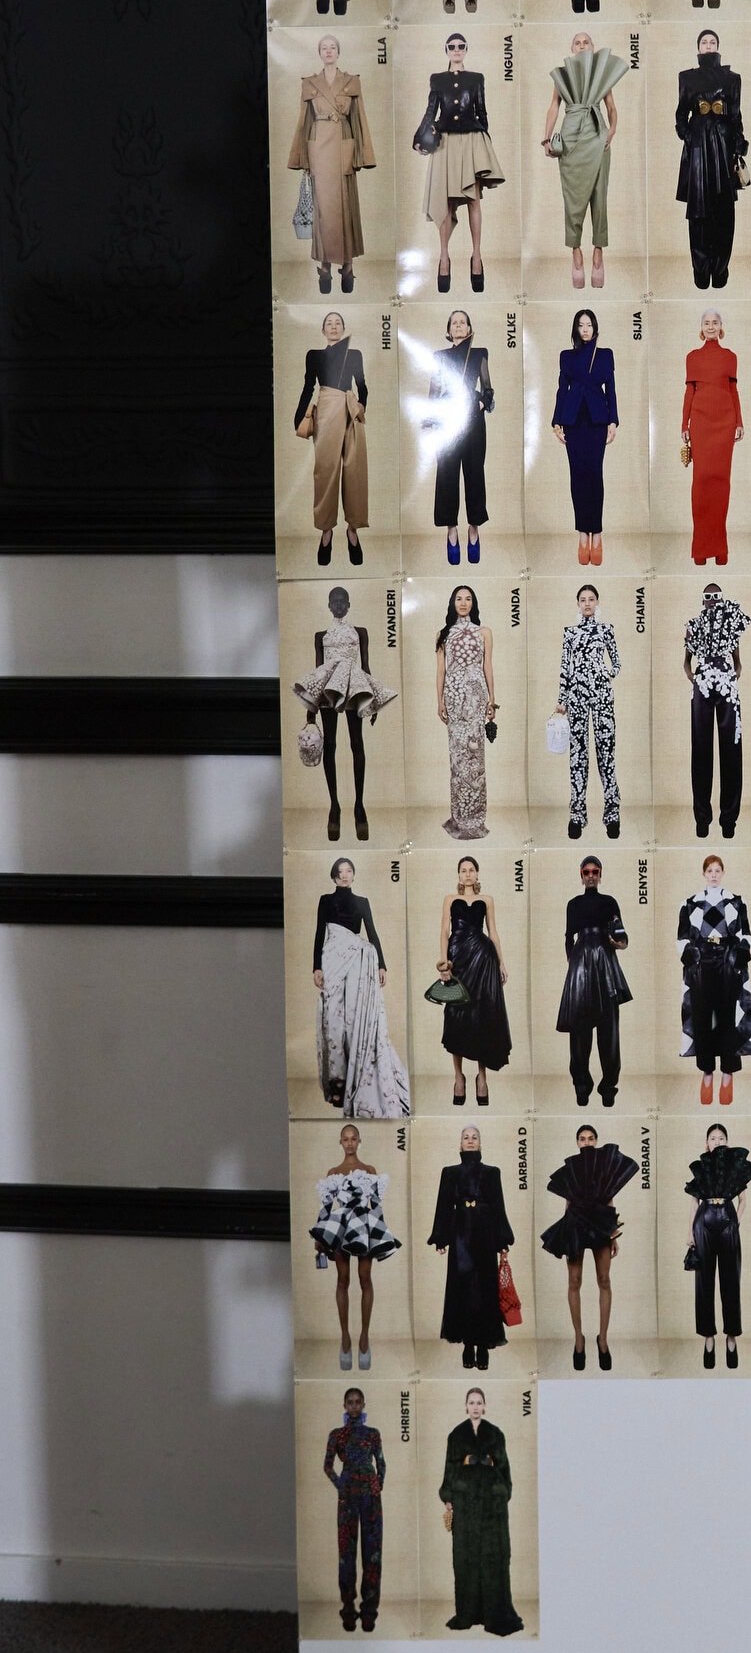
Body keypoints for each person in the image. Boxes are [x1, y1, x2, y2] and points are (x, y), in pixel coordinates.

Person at [294, 589, 396, 845]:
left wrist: (372, 703)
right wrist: (311, 710)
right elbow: (319, 670)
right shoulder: (321, 636)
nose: (339, 605)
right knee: (329, 744)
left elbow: (366, 666)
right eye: (334, 602)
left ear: (348, 605)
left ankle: (359, 807)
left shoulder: (360, 632)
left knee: (356, 743)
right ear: (329, 606)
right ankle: (334, 807)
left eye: (342, 602)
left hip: (354, 685)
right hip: (328, 687)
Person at [310, 855, 409, 1118]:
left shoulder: (362, 902)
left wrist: (382, 965)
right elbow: (319, 932)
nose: (345, 875)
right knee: (333, 1020)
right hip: (332, 959)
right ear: (334, 876)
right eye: (340, 871)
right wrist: (316, 967)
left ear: (353, 874)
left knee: (354, 1020)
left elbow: (372, 933)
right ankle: (337, 1082)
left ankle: (353, 1081)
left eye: (349, 870)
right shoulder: (325, 900)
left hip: (358, 961)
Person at [541, 1123, 639, 1373]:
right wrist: (564, 1232)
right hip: (575, 1222)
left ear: (596, 1141)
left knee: (604, 1280)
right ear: (577, 1143)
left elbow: (610, 1199)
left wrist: (613, 1234)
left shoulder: (604, 1165)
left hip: (600, 1222)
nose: (587, 1142)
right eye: (582, 1138)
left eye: (591, 1138)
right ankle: (579, 1339)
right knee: (574, 1281)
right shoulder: (572, 1167)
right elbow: (567, 1201)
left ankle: (603, 1340)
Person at [413, 35, 503, 297]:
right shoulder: (437, 79)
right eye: (452, 47)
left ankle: (477, 257)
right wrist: (418, 138)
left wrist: (484, 143)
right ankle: (444, 257)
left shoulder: (476, 78)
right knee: (445, 201)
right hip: (445, 142)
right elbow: (430, 112)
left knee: (474, 200)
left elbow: (482, 112)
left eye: (461, 46)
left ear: (466, 50)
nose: (456, 50)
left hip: (471, 140)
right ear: (446, 50)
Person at [286, 36, 375, 292]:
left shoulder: (351, 81)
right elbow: (303, 122)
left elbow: (359, 118)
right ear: (319, 53)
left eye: (332, 47)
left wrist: (362, 155)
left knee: (345, 205)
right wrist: (302, 157)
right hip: (318, 148)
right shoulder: (309, 83)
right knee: (323, 209)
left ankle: (347, 268)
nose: (328, 51)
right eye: (324, 48)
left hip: (342, 143)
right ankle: (325, 268)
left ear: (338, 52)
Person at [310, 1123, 401, 1373]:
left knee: (365, 1277)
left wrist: (381, 1233)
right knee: (343, 1278)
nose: (349, 1143)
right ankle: (345, 1338)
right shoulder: (333, 1173)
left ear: (359, 1141)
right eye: (345, 1139)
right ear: (340, 1142)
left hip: (363, 1226)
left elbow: (376, 1205)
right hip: (341, 1226)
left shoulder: (369, 1170)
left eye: (353, 1138)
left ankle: (364, 1337)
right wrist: (320, 1235)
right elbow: (326, 1206)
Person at [541, 31, 627, 292]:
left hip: (598, 135)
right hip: (571, 138)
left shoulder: (600, 74)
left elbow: (611, 106)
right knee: (573, 198)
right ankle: (576, 251)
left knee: (600, 197)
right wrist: (546, 138)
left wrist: (613, 129)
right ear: (572, 48)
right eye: (577, 43)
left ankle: (598, 252)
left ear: (592, 46)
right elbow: (553, 106)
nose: (581, 45)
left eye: (586, 42)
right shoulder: (563, 74)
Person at [428, 1125, 513, 1372]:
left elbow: (498, 1207)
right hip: (460, 1235)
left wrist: (502, 1242)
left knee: (485, 1289)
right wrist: (441, 1238)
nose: (470, 1140)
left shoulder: (492, 1173)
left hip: (485, 1234)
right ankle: (468, 1343)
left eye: (475, 1137)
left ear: (480, 1143)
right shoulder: (450, 1173)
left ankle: (483, 1344)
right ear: (460, 1143)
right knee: (463, 1289)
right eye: (466, 1137)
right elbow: (443, 1205)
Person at [438, 1387, 522, 1634]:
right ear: (466, 1406)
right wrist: (448, 1496)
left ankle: (494, 1614)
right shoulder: (456, 1435)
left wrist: (502, 1491)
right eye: (471, 1402)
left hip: (491, 1501)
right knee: (467, 1554)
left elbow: (504, 1467)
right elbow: (450, 1466)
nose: (475, 1407)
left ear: (484, 1407)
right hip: (465, 1500)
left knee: (492, 1554)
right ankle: (468, 1613)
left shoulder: (496, 1433)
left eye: (479, 1403)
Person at [677, 854, 751, 1105]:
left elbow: (746, 933)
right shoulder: (690, 903)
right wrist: (690, 954)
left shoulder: (736, 901)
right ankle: (707, 1073)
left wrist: (740, 953)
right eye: (709, 871)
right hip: (701, 963)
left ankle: (727, 1075)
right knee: (702, 1019)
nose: (713, 875)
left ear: (723, 873)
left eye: (717, 870)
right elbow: (682, 937)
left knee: (728, 1019)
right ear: (704, 874)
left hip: (727, 961)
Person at [434, 855, 511, 1106]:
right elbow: (444, 931)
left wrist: (501, 962)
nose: (467, 874)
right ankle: (458, 1077)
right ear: (458, 875)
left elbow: (493, 932)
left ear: (477, 874)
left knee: (482, 1015)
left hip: (483, 959)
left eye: (471, 870)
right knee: (455, 1015)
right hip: (458, 959)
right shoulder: (449, 899)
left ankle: (482, 1077)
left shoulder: (487, 900)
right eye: (463, 870)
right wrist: (444, 962)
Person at [675, 30, 749, 289]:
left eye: (712, 42)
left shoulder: (733, 79)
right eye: (704, 42)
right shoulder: (686, 77)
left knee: (724, 212)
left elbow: (736, 115)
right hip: (697, 150)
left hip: (723, 146)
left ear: (718, 46)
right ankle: (700, 269)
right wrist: (688, 136)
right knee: (698, 213)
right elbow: (680, 114)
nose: (708, 46)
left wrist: (738, 146)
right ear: (698, 48)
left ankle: (720, 269)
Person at [295, 310, 368, 566]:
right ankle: (326, 532)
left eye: (338, 323)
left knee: (354, 471)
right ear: (323, 330)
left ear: (343, 328)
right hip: (326, 410)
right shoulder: (314, 355)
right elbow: (308, 386)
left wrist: (361, 408)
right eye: (329, 323)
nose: (334, 326)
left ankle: (352, 531)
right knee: (326, 471)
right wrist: (298, 417)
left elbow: (362, 385)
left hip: (349, 410)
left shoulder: (355, 354)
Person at [558, 858, 632, 1108]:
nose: (590, 875)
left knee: (609, 1031)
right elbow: (568, 937)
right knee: (579, 1032)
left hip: (605, 965)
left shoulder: (609, 902)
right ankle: (581, 1086)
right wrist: (573, 964)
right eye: (586, 871)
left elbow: (622, 934)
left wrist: (620, 943)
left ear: (600, 875)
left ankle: (609, 1087)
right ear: (581, 875)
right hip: (580, 967)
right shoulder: (573, 904)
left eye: (595, 871)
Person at [685, 1122, 751, 1369]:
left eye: (721, 1138)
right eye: (713, 1138)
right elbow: (693, 1203)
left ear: (727, 1142)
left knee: (731, 1281)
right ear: (707, 1143)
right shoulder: (701, 1168)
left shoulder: (735, 1169)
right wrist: (689, 1232)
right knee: (704, 1282)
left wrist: (735, 1223)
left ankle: (731, 1338)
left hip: (728, 1221)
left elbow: (743, 1201)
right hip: (703, 1222)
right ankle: (708, 1338)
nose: (717, 1141)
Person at [550, 308, 618, 569]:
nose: (585, 329)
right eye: (581, 325)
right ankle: (582, 534)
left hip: (598, 420)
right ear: (575, 329)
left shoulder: (605, 354)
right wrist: (556, 421)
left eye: (589, 324)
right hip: (573, 420)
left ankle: (596, 534)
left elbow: (611, 389)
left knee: (595, 475)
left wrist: (613, 421)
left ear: (595, 327)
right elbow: (561, 390)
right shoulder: (566, 356)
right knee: (577, 477)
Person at [426, 306, 493, 567]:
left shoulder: (479, 353)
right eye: (454, 322)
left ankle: (474, 529)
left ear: (469, 328)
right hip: (447, 420)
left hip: (472, 419)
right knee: (447, 474)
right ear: (448, 329)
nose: (458, 325)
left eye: (463, 322)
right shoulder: (439, 356)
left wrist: (482, 403)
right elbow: (434, 391)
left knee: (475, 473)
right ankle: (451, 531)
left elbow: (487, 388)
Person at [554, 583, 620, 840]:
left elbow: (617, 662)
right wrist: (562, 699)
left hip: (603, 697)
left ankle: (612, 816)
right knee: (578, 757)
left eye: (591, 599)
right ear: (578, 604)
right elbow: (565, 667)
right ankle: (577, 816)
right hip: (576, 698)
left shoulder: (606, 629)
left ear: (597, 602)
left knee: (606, 755)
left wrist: (606, 674)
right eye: (583, 599)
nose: (587, 603)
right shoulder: (570, 632)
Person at [684, 584, 748, 838]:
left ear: (722, 598)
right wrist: (693, 676)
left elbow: (737, 659)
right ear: (702, 600)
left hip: (726, 684)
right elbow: (686, 661)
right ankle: (702, 818)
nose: (712, 600)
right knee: (700, 748)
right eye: (707, 597)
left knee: (731, 748)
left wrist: (735, 672)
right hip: (702, 684)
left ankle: (729, 819)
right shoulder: (693, 624)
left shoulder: (731, 622)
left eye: (716, 596)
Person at [683, 310, 743, 565]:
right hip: (700, 424)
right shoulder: (692, 357)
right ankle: (701, 548)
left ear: (721, 327)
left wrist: (739, 422)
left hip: (724, 423)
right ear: (701, 327)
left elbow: (733, 390)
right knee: (701, 483)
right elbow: (689, 392)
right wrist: (684, 424)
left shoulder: (730, 357)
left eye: (715, 323)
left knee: (721, 484)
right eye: (706, 323)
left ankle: (720, 548)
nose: (710, 326)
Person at [434, 585, 494, 842]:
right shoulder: (443, 634)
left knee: (475, 760)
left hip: (477, 699)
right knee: (458, 760)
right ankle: (459, 818)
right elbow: (441, 671)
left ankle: (476, 819)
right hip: (455, 699)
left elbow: (488, 666)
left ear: (473, 603)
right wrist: (439, 701)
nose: (463, 602)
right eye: (459, 598)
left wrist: (492, 700)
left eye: (468, 598)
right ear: (452, 602)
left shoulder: (484, 632)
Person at [323, 1387, 384, 1633]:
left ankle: (369, 1611)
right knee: (346, 1553)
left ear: (364, 1404)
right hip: (347, 1496)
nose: (355, 1406)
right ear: (345, 1406)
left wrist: (378, 1485)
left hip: (371, 1497)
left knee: (373, 1553)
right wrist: (340, 1485)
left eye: (358, 1402)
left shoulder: (373, 1434)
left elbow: (381, 1462)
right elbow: (327, 1466)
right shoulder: (337, 1435)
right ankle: (348, 1608)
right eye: (350, 1402)